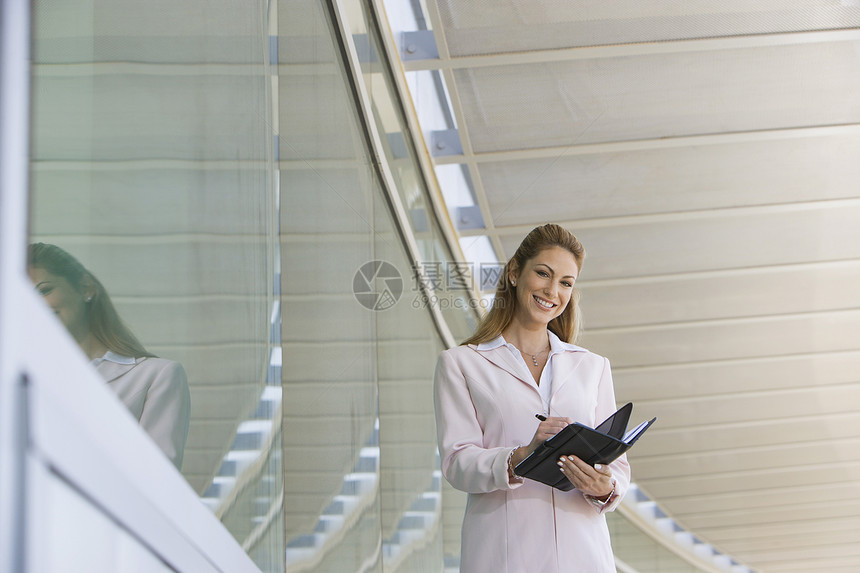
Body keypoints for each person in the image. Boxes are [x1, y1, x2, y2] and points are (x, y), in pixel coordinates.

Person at [434, 224, 631, 572]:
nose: (552, 291)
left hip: (583, 556)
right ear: (514, 273)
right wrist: (521, 456)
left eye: (566, 283)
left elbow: (617, 467)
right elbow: (457, 463)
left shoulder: (592, 367)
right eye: (543, 273)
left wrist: (605, 486)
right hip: (504, 555)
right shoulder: (462, 364)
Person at [27, 242, 190, 469]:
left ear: (86, 288)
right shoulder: (22, 383)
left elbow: (158, 477)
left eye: (44, 290)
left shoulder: (156, 376)